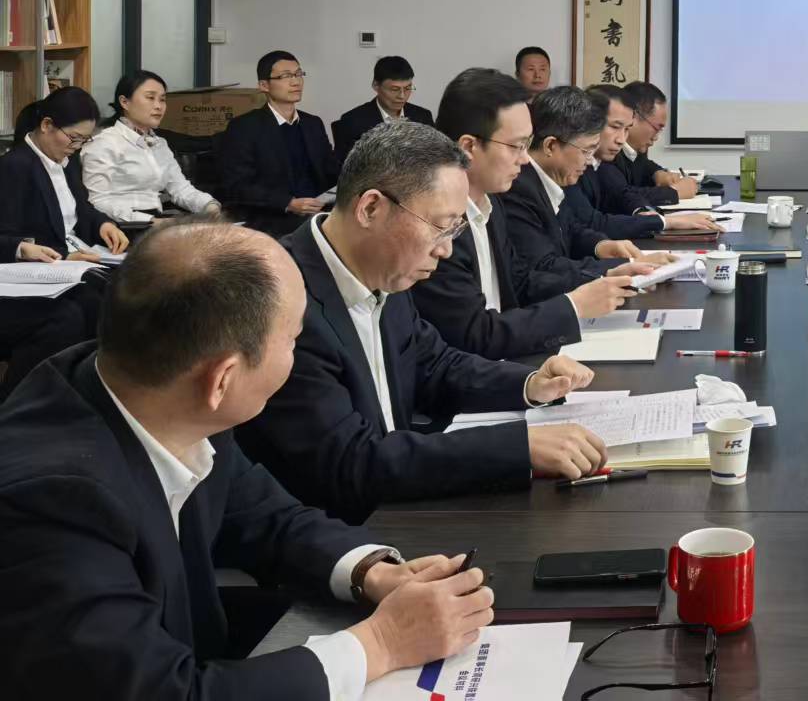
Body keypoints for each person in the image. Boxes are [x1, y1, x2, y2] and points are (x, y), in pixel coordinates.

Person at [0, 218, 496, 701]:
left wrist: (372, 572)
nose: (297, 357)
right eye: (293, 339)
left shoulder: (162, 392)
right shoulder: (51, 503)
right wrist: (382, 643)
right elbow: (158, 690)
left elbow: (266, 518)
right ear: (222, 379)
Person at [235, 120, 608, 524]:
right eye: (441, 227)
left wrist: (530, 384)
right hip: (337, 529)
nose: (446, 250)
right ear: (371, 208)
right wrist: (519, 446)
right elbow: (351, 462)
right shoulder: (284, 302)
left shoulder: (384, 267)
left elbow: (434, 364)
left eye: (456, 229)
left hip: (400, 503)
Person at [414, 68, 642, 359]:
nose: (525, 159)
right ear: (469, 146)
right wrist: (574, 306)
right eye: (516, 146)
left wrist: (603, 274)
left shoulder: (491, 204)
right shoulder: (436, 225)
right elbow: (474, 335)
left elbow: (521, 282)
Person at [506, 85, 671, 277]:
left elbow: (571, 229)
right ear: (550, 146)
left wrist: (601, 245)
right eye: (586, 151)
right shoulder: (518, 189)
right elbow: (543, 267)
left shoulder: (550, 179)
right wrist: (616, 268)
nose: (589, 160)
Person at [564, 85, 717, 244]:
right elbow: (594, 223)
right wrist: (665, 221)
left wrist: (646, 212)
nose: (621, 139)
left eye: (626, 129)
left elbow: (622, 194)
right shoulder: (571, 167)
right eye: (615, 127)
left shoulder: (599, 161)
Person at [0, 86, 130, 258]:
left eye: (84, 140)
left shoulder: (68, 160)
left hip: (81, 252)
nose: (77, 146)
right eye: (74, 138)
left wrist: (103, 224)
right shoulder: (13, 166)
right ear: (47, 125)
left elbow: (81, 209)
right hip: (51, 264)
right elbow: (9, 238)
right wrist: (65, 256)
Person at [219, 51, 338, 238]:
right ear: (264, 85)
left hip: (318, 213)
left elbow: (331, 170)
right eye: (285, 76)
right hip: (272, 217)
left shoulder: (312, 123)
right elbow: (238, 185)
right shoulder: (244, 127)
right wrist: (288, 203)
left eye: (298, 74)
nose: (296, 82)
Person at [83, 70, 221, 222]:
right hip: (122, 224)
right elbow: (98, 201)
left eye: (162, 100)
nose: (158, 106)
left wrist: (209, 205)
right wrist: (148, 221)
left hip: (157, 219)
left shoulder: (159, 143)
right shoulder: (104, 142)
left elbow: (180, 189)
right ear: (124, 102)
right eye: (150, 98)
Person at [331, 56, 435, 164]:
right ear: (376, 85)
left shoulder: (423, 117)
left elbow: (435, 160)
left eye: (408, 88)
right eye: (394, 89)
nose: (402, 96)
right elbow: (346, 169)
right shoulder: (352, 122)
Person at [617, 80, 697, 204]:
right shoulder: (608, 152)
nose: (656, 137)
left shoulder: (634, 150)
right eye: (657, 128)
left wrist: (657, 173)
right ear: (634, 117)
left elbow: (644, 165)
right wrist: (675, 192)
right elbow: (620, 196)